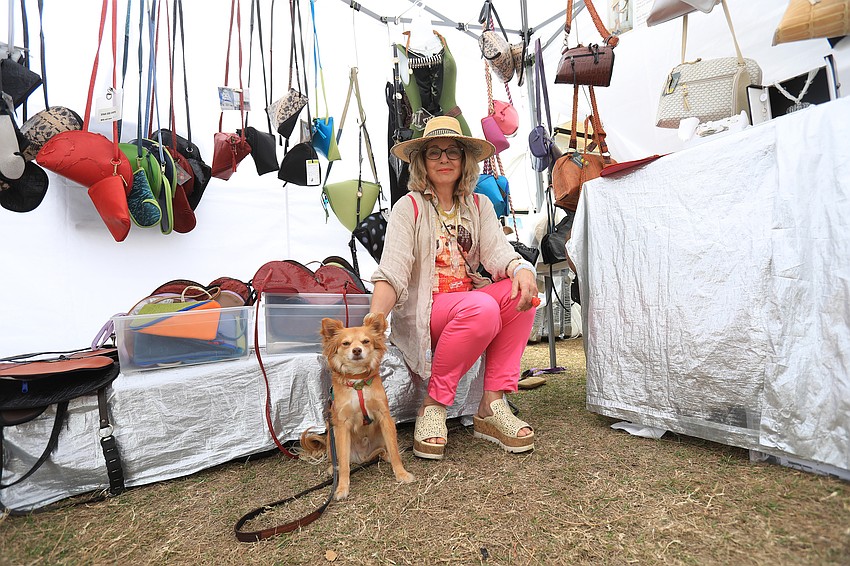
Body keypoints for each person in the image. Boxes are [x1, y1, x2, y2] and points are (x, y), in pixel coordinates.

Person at [370, 116, 539, 460]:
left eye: (452, 152)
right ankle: (433, 405)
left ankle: (492, 405)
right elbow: (393, 272)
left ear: (465, 160)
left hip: (468, 306)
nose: (444, 159)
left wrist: (521, 268)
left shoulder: (479, 205)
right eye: (434, 152)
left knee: (524, 295)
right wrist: (374, 319)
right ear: (422, 162)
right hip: (426, 312)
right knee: (483, 307)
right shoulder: (409, 207)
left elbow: (499, 254)